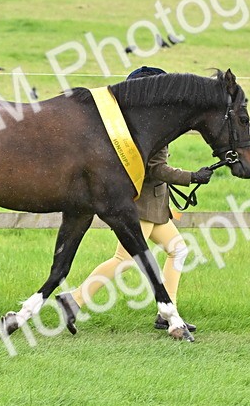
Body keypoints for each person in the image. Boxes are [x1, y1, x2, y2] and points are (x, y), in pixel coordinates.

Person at [59, 66, 214, 332]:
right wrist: (192, 177)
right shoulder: (148, 128)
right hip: (142, 205)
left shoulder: (146, 124)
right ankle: (73, 299)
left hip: (154, 205)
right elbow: (156, 168)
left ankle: (167, 312)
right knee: (124, 259)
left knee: (178, 250)